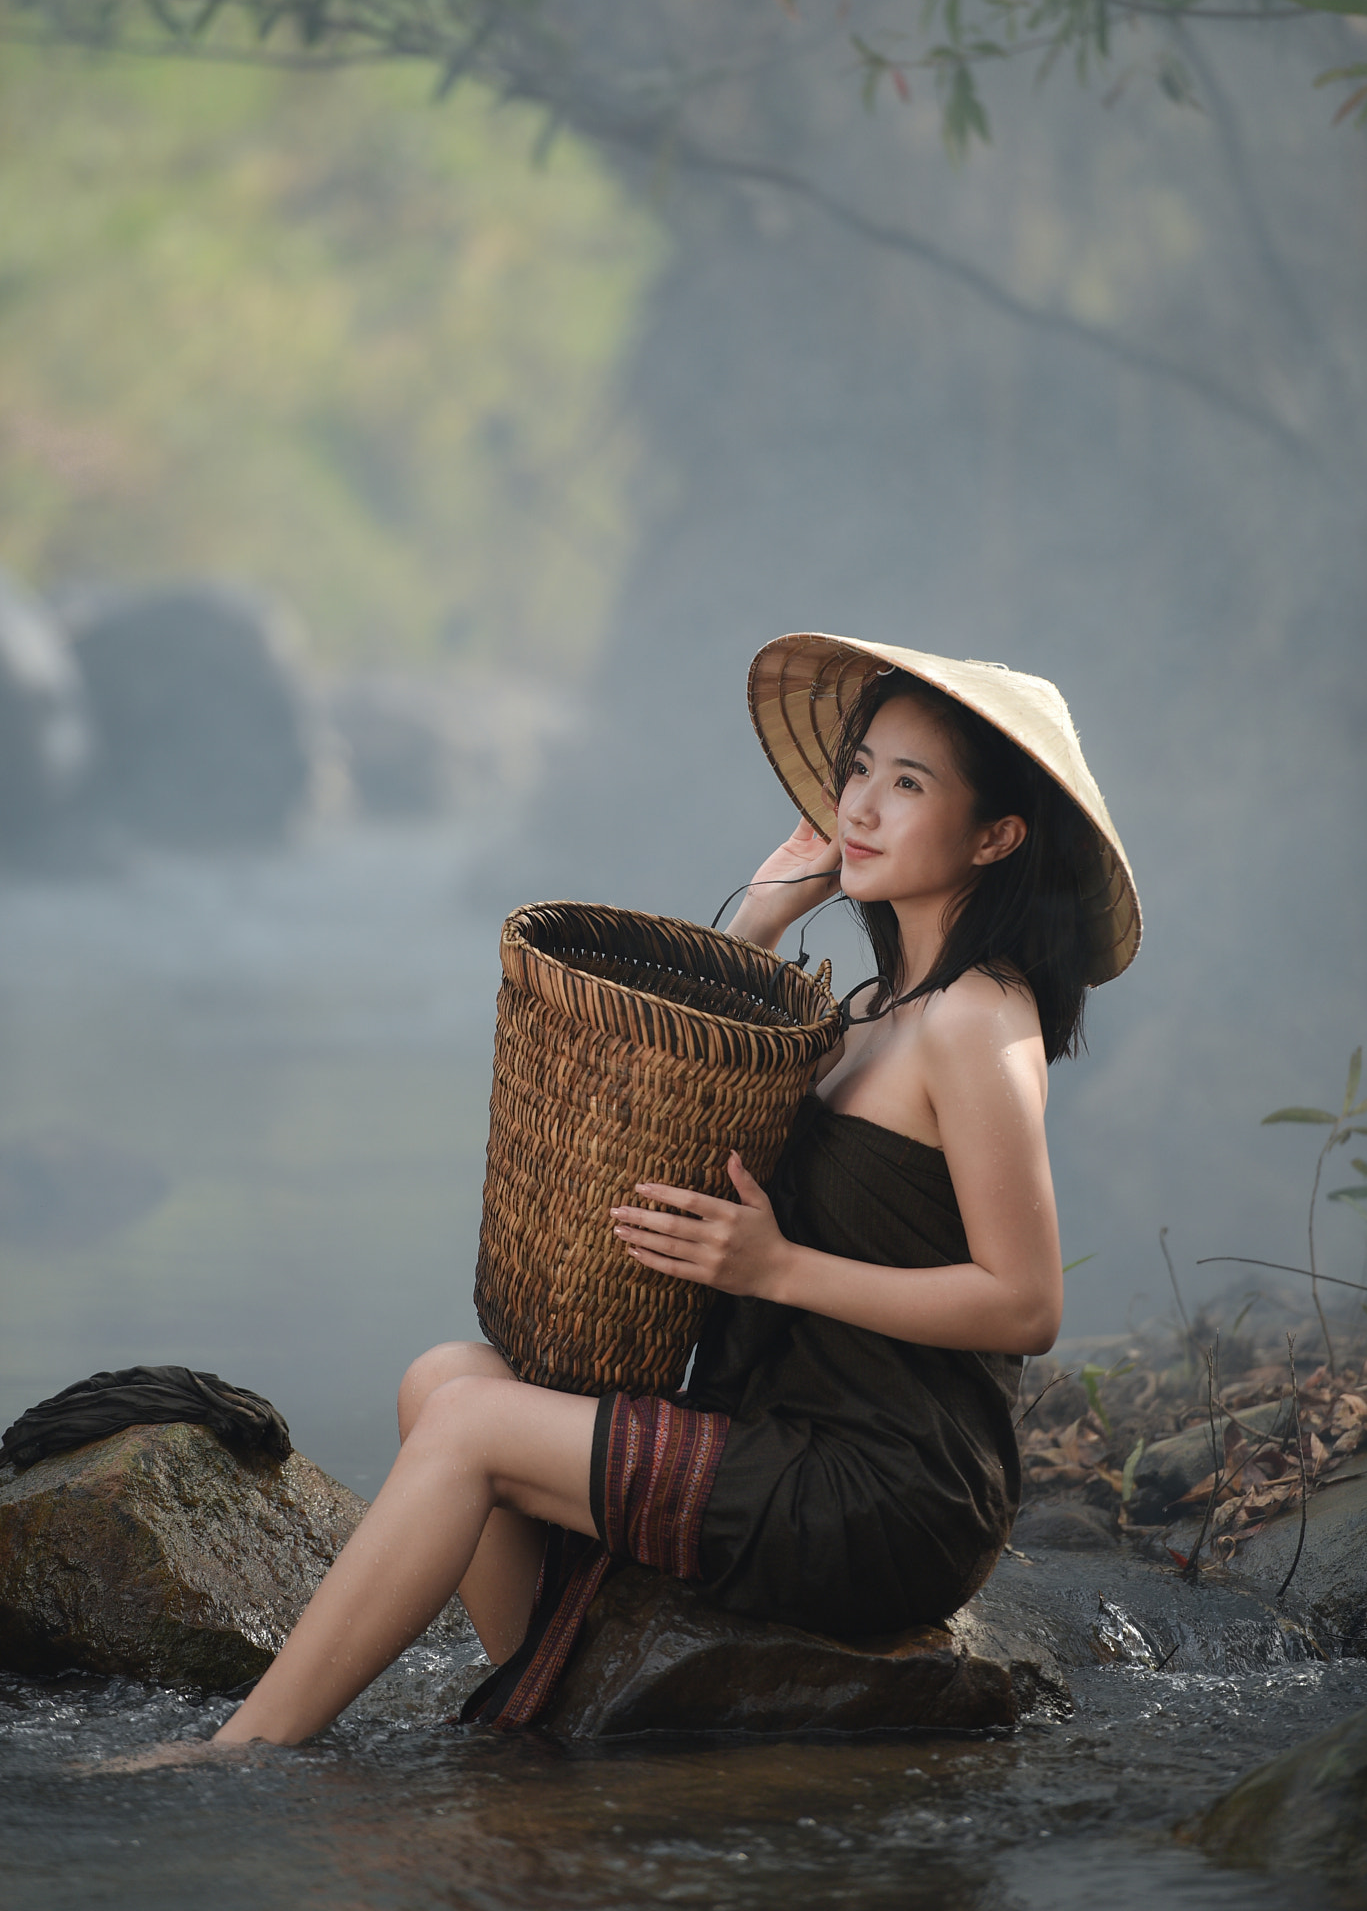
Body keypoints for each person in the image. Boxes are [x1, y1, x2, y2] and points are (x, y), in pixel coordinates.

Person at [189, 633, 1140, 1752]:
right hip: (780, 1429)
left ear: (994, 836)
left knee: (472, 1427)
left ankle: (243, 1751)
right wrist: (759, 920)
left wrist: (777, 1267)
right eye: (859, 768)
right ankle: (557, 1713)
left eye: (908, 783)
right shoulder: (873, 1005)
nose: (861, 807)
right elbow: (689, 1103)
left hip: (886, 1490)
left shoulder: (979, 1018)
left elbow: (1024, 1303)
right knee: (443, 1377)